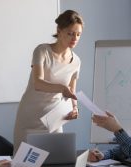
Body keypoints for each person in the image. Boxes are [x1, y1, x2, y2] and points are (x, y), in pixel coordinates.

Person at [13, 10, 84, 151]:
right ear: (59, 30)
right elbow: (38, 83)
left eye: (78, 34)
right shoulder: (42, 51)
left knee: (56, 159)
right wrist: (62, 89)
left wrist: (75, 107)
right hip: (31, 116)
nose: (74, 38)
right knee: (24, 162)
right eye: (70, 33)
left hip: (54, 118)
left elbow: (72, 90)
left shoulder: (76, 61)